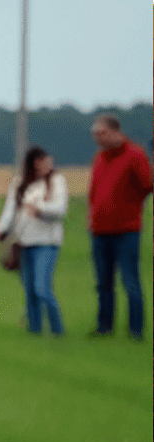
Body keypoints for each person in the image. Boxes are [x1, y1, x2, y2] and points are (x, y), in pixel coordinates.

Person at [85, 112, 151, 339]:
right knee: (103, 282)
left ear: (116, 132)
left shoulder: (134, 154)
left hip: (126, 228)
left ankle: (135, 329)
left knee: (130, 280)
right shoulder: (100, 158)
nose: (98, 139)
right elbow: (94, 192)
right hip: (100, 229)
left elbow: (147, 184)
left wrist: (130, 204)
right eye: (95, 134)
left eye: (102, 133)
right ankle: (105, 326)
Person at [0, 146, 68, 335]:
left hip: (47, 243)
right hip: (24, 243)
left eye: (46, 162)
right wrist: (2, 229)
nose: (44, 166)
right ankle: (34, 330)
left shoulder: (56, 181)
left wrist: (40, 207)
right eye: (39, 163)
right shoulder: (20, 183)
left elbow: (60, 208)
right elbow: (10, 209)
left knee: (42, 288)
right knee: (30, 291)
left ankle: (57, 329)